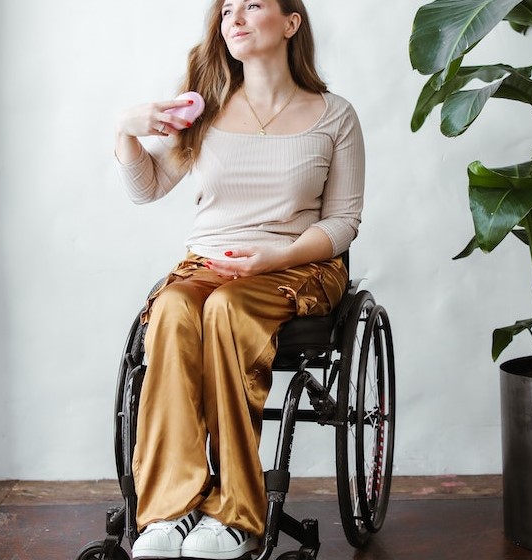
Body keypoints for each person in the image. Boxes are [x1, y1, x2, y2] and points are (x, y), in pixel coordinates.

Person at [113, 1, 364, 558]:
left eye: (253, 5)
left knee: (226, 307)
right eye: (227, 9)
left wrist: (271, 260)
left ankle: (235, 513)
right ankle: (169, 511)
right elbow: (147, 187)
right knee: (175, 309)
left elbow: (343, 223)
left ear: (291, 22)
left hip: (300, 268)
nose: (236, 18)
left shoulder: (334, 116)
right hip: (206, 267)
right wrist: (127, 131)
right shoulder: (207, 110)